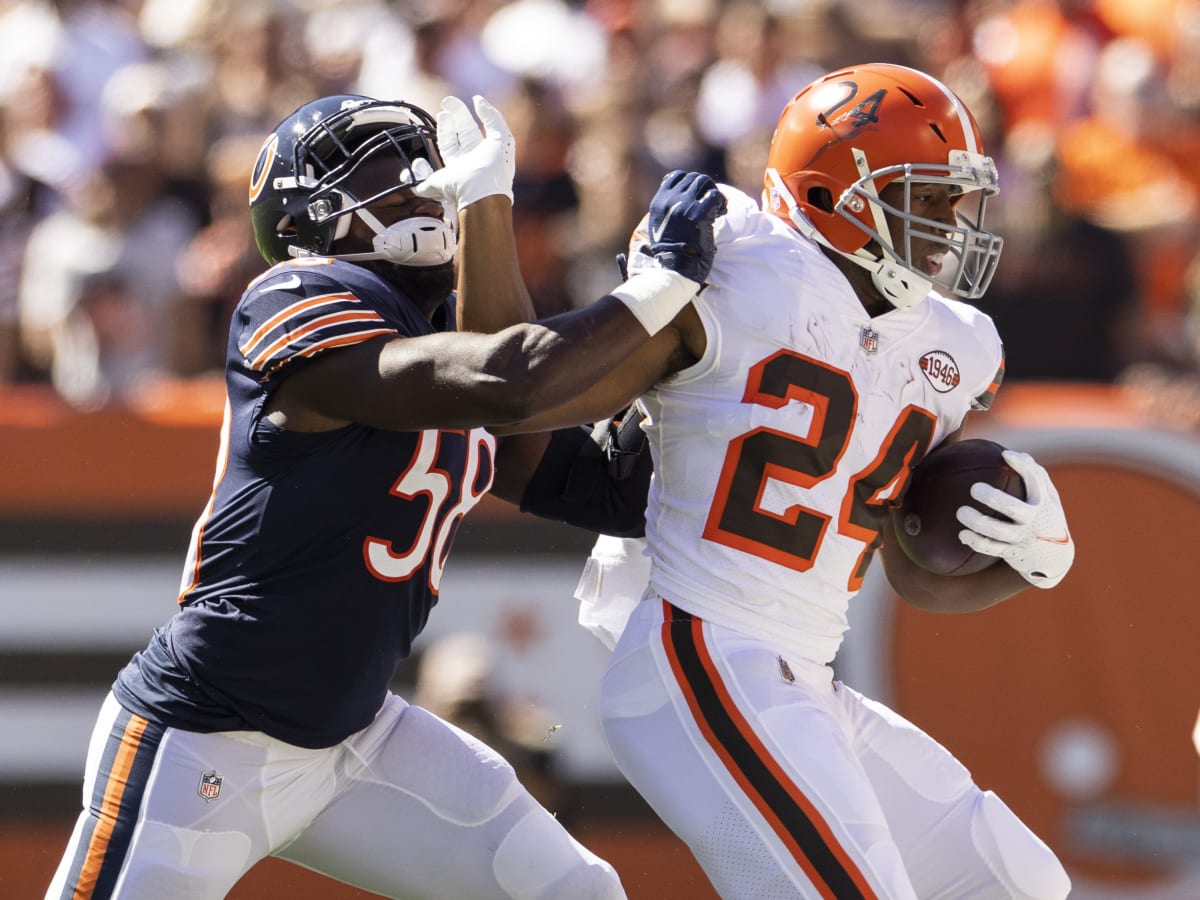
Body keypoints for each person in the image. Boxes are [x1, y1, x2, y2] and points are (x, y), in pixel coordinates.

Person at [45, 91, 725, 899]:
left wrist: (700, 364)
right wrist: (656, 290)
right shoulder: (296, 295)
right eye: (375, 164)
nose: (416, 176)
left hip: (357, 735)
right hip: (207, 733)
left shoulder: (441, 328)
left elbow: (602, 487)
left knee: (577, 892)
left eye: (419, 159)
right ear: (306, 215)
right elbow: (507, 381)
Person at [525, 63, 1078, 897]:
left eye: (953, 200)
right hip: (699, 648)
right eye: (921, 198)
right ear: (832, 195)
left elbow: (911, 567)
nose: (948, 224)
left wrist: (1032, 558)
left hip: (803, 675)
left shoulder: (958, 345)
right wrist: (657, 283)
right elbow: (553, 393)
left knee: (1017, 883)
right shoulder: (740, 262)